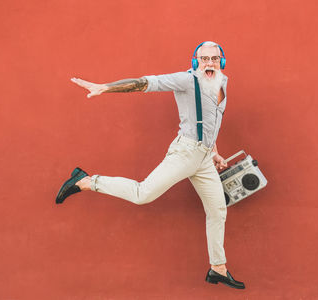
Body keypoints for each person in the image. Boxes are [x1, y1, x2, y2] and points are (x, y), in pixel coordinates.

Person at [56, 41, 245, 289]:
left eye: (213, 58)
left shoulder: (222, 81)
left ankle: (218, 268)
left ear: (221, 61)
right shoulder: (186, 80)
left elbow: (211, 121)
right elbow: (146, 82)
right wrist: (105, 88)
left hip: (204, 157)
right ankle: (87, 181)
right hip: (185, 153)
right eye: (203, 58)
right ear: (195, 61)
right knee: (142, 194)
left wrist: (215, 152)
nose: (208, 63)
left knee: (218, 210)